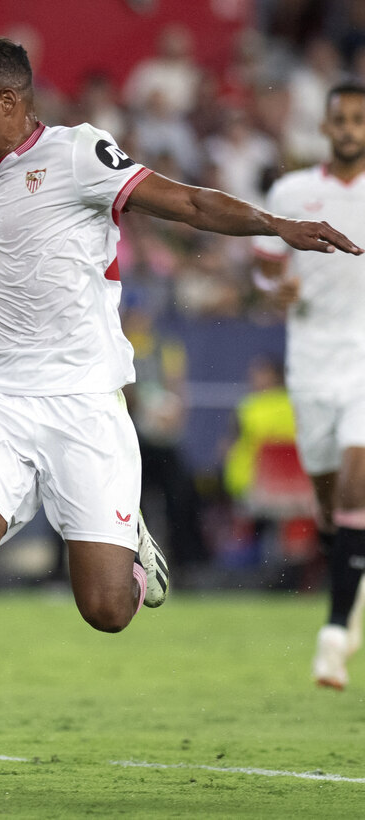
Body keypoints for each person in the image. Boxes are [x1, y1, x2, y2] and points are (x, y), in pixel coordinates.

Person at [0, 37, 361, 796]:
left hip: (83, 403)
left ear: (10, 101)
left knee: (105, 609)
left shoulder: (78, 155)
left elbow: (191, 202)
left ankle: (133, 548)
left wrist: (278, 226)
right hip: (0, 396)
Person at [254, 81, 365, 690]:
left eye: (358, 119)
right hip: (312, 366)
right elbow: (264, 273)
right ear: (325, 127)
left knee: (356, 478)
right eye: (340, 119)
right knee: (331, 505)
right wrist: (278, 293)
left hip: (364, 362)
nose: (349, 127)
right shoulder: (294, 193)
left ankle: (334, 632)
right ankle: (353, 566)